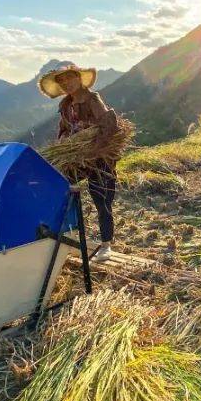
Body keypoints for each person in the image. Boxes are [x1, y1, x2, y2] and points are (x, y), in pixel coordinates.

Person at [38, 64, 120, 261]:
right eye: (61, 81)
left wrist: (93, 145)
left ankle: (106, 244)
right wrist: (66, 142)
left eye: (69, 78)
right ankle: (65, 233)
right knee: (59, 186)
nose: (66, 83)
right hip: (76, 158)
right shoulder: (66, 105)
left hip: (99, 157)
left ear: (78, 78)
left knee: (101, 197)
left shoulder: (92, 99)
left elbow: (109, 124)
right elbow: (64, 129)